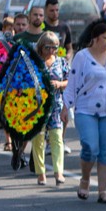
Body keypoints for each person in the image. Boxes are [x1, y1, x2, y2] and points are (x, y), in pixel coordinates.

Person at [64, 21, 106, 203]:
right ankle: (85, 179)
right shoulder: (82, 57)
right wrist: (66, 107)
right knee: (90, 147)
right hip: (86, 109)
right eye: (105, 38)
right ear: (95, 39)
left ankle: (103, 191)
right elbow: (72, 83)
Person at [32, 32, 69, 185]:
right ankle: (41, 173)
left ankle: (58, 172)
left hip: (56, 105)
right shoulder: (34, 62)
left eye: (55, 47)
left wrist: (60, 84)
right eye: (48, 47)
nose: (52, 51)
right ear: (41, 47)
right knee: (38, 139)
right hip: (37, 106)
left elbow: (69, 80)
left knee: (57, 138)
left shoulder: (61, 62)